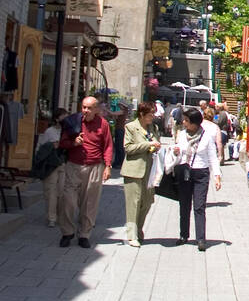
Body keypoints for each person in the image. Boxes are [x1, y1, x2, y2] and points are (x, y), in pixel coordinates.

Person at [58, 96, 113, 248]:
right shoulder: (73, 121)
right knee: (68, 199)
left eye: (89, 108)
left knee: (89, 203)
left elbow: (108, 146)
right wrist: (73, 143)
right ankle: (67, 232)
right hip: (74, 165)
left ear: (96, 109)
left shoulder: (103, 124)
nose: (86, 111)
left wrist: (108, 166)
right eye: (84, 107)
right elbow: (62, 143)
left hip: (95, 166)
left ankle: (84, 234)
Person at [173, 107, 222, 251]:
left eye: (187, 120)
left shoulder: (206, 136)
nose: (184, 122)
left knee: (199, 206)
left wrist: (217, 176)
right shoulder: (182, 135)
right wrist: (176, 152)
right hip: (184, 171)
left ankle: (200, 238)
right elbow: (178, 153)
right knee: (184, 205)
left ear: (195, 123)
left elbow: (213, 157)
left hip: (201, 173)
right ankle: (184, 235)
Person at [120, 101, 161, 246]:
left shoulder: (153, 128)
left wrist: (157, 147)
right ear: (142, 114)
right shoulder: (131, 127)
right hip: (134, 170)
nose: (152, 117)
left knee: (148, 201)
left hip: (150, 170)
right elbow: (128, 148)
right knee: (133, 203)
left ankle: (139, 228)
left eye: (153, 114)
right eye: (150, 114)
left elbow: (157, 143)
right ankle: (132, 235)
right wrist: (148, 145)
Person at [34, 109, 68, 227]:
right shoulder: (49, 131)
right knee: (50, 191)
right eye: (64, 117)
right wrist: (52, 145)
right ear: (57, 119)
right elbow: (40, 148)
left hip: (63, 164)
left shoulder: (67, 132)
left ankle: (59, 215)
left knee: (61, 191)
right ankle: (51, 218)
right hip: (50, 165)